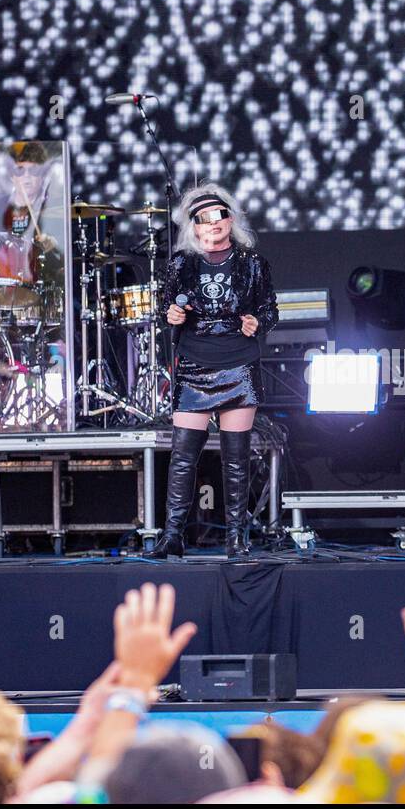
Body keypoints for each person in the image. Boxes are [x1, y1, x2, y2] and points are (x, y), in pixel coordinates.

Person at [148, 183, 278, 559]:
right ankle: (172, 535)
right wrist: (171, 315)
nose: (213, 223)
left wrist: (257, 321)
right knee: (183, 455)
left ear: (230, 220)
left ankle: (236, 537)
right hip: (194, 365)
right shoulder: (180, 264)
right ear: (195, 228)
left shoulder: (252, 263)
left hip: (238, 364)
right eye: (203, 218)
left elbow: (271, 310)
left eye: (219, 214)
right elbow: (169, 310)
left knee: (236, 457)